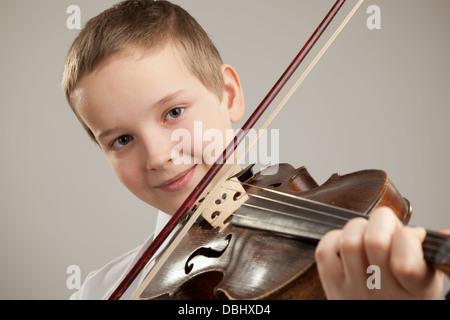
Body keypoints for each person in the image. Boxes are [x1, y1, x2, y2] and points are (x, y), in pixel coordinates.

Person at [62, 0, 446, 300]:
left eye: (174, 112)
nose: (159, 156)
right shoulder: (104, 290)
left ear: (228, 95)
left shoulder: (351, 266)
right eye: (122, 140)